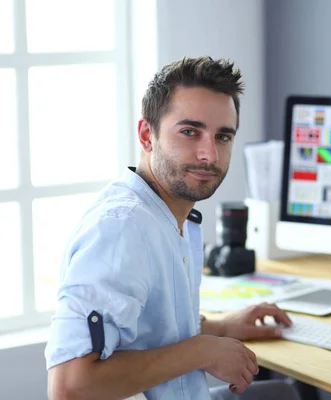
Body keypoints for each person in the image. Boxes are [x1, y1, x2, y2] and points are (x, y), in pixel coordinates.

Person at [45, 56, 300, 400]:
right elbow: (70, 388)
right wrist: (202, 351)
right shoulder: (122, 230)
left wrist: (220, 327)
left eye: (223, 136)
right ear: (147, 135)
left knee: (282, 394)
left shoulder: (170, 217)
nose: (209, 154)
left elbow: (147, 331)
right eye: (190, 131)